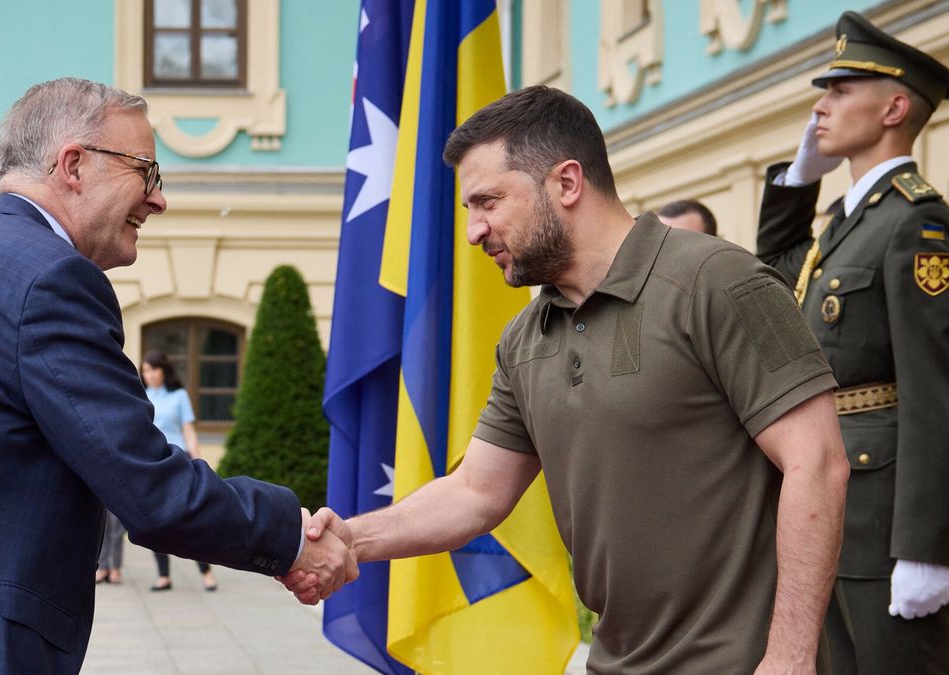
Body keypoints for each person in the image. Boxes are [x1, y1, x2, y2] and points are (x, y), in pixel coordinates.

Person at [0, 77, 354, 674]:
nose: (158, 199)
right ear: (75, 165)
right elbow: (151, 491)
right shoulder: (52, 281)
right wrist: (288, 535)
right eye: (147, 172)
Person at [288, 85, 850, 674]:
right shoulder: (524, 338)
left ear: (566, 183)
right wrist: (349, 538)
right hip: (615, 661)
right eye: (469, 210)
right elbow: (475, 492)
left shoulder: (717, 280)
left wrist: (790, 657)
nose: (475, 231)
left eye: (488, 202)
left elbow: (817, 464)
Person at [756, 11, 949, 674]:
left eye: (840, 90)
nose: (821, 105)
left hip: (884, 524)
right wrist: (798, 178)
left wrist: (927, 546)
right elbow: (777, 266)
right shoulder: (847, 222)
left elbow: (936, 388)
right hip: (828, 507)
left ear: (894, 106)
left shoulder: (915, 220)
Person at [140, 350, 219, 592]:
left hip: (179, 460)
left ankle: (206, 571)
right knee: (153, 520)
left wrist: (198, 462)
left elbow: (188, 431)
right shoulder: (141, 396)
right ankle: (163, 575)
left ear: (163, 370)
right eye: (145, 370)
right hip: (153, 462)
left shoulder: (179, 396)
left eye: (153, 369)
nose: (149, 375)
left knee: (190, 518)